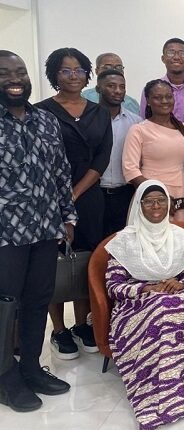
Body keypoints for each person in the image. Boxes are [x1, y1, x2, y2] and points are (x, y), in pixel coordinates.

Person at [104, 180, 184, 430]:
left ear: (169, 205)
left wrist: (178, 283)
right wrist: (144, 289)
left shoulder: (179, 238)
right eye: (149, 201)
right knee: (164, 313)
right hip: (135, 306)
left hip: (176, 297)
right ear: (139, 205)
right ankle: (158, 394)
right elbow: (113, 285)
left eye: (161, 200)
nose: (156, 206)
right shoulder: (125, 241)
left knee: (183, 306)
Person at [0, 50, 75, 412]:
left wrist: (68, 217)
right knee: (4, 306)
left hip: (46, 229)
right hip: (4, 236)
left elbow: (61, 173)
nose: (14, 79)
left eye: (20, 72)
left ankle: (31, 366)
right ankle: (5, 376)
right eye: (4, 73)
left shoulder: (45, 120)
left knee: (37, 301)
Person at [36, 47, 112, 361]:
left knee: (84, 261)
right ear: (54, 74)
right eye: (65, 70)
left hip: (90, 196)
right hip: (49, 197)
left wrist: (76, 192)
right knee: (53, 263)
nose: (72, 76)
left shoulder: (99, 112)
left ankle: (82, 324)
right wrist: (62, 196)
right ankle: (59, 329)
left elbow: (102, 157)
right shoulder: (40, 111)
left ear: (87, 74)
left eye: (78, 70)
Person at [124, 79, 184, 222]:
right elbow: (130, 169)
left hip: (183, 193)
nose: (164, 101)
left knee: (181, 240)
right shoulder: (139, 130)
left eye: (168, 96)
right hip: (152, 197)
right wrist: (157, 195)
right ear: (148, 101)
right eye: (157, 97)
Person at [96, 69, 143, 237]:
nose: (117, 91)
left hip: (125, 194)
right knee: (94, 244)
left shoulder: (136, 122)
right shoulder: (89, 119)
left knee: (124, 242)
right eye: (111, 86)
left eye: (122, 87)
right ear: (98, 88)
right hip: (95, 193)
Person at [139, 38, 184, 128]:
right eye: (171, 53)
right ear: (163, 58)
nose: (177, 57)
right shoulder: (152, 90)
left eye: (182, 53)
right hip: (159, 141)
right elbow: (143, 122)